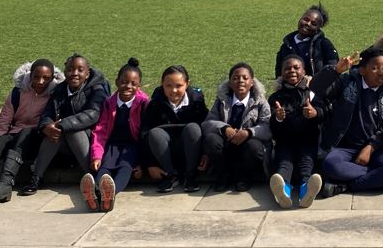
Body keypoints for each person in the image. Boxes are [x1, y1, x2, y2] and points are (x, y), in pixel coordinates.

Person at [310, 48, 383, 198]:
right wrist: (336, 71)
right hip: (345, 148)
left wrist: (371, 147)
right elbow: (315, 87)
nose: (381, 72)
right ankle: (378, 179)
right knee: (330, 165)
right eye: (375, 68)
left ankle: (343, 186)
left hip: (375, 150)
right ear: (362, 70)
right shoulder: (347, 83)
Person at [0, 60, 63, 204]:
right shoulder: (17, 92)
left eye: (46, 78)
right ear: (30, 76)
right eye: (36, 77)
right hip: (15, 136)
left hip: (37, 137)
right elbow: (3, 122)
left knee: (26, 132)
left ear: (52, 78)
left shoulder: (55, 95)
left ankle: (5, 183)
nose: (41, 82)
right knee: (2, 139)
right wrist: (2, 140)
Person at [25, 54, 109, 195]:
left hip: (90, 141)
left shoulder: (97, 89)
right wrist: (46, 127)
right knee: (52, 133)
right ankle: (36, 178)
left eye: (80, 70)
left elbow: (93, 114)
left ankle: (93, 178)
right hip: (64, 142)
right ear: (65, 72)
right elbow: (47, 114)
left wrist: (62, 124)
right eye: (70, 69)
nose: (74, 73)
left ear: (87, 74)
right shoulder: (59, 90)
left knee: (71, 130)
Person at [81, 58, 149, 213]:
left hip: (132, 147)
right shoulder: (109, 102)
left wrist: (142, 163)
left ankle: (109, 194)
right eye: (124, 82)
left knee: (125, 168)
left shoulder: (143, 103)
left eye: (133, 83)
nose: (128, 86)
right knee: (104, 168)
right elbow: (100, 130)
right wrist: (96, 156)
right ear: (117, 82)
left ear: (139, 86)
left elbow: (145, 134)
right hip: (112, 145)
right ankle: (96, 191)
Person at [202, 63, 271, 192]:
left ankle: (243, 177)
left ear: (252, 83)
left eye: (245, 78)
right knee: (211, 139)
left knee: (254, 147)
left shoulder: (260, 102)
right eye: (235, 78)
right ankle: (223, 175)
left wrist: (248, 133)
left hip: (247, 145)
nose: (240, 81)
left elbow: (267, 127)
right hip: (226, 143)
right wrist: (224, 128)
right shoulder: (221, 101)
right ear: (229, 83)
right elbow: (207, 123)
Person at [268, 55, 325, 209]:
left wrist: (315, 113)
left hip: (308, 140)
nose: (291, 71)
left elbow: (324, 111)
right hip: (285, 141)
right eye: (287, 68)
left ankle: (306, 191)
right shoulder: (275, 97)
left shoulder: (311, 93)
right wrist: (278, 117)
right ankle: (283, 191)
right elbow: (272, 126)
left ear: (304, 71)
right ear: (281, 72)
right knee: (284, 163)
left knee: (306, 164)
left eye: (296, 67)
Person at [142, 65, 208, 193]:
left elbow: (206, 126)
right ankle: (170, 176)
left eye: (178, 86)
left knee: (194, 128)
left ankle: (190, 176)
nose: (173, 90)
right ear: (162, 85)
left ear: (187, 84)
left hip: (191, 152)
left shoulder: (197, 102)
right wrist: (149, 164)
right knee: (155, 133)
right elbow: (144, 133)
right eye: (168, 86)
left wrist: (206, 153)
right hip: (165, 154)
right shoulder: (156, 103)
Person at [275, 5, 338, 78]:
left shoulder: (324, 44)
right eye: (306, 19)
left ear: (318, 29)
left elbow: (333, 68)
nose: (308, 24)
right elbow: (279, 72)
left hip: (315, 87)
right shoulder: (286, 45)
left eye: (313, 24)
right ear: (300, 19)